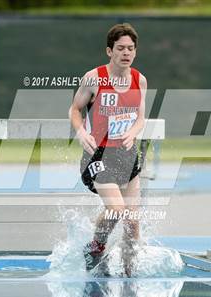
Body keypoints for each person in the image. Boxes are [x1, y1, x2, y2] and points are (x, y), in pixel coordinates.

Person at [69, 23, 147, 277]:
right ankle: (96, 247)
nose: (126, 53)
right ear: (109, 51)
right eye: (121, 48)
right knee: (116, 209)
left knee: (132, 223)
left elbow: (140, 118)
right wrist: (80, 132)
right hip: (99, 155)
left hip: (127, 155)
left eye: (131, 49)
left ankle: (130, 276)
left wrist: (133, 132)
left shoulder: (140, 80)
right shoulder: (94, 78)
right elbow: (75, 109)